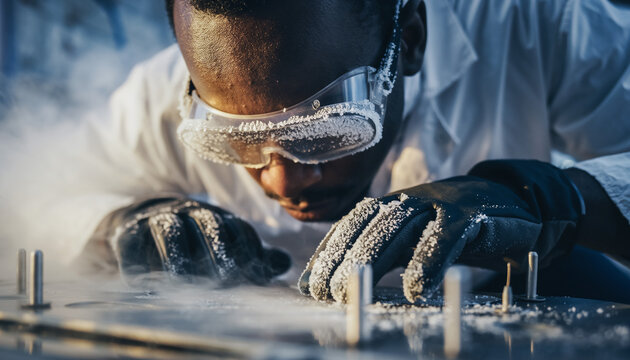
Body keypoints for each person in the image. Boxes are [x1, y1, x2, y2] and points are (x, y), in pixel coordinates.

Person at [4, 0, 630, 303]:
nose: (283, 180)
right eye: (237, 141)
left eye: (326, 130)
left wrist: (553, 198)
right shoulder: (156, 92)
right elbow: (41, 192)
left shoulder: (535, 27)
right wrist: (115, 223)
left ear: (409, 41)